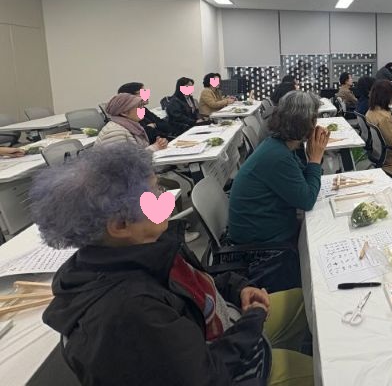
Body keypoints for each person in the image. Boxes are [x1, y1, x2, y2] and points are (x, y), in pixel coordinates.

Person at [30, 143, 313, 386]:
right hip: (233, 369)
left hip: (232, 329)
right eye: (154, 192)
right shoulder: (131, 311)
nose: (165, 196)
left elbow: (198, 283)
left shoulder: (146, 247)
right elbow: (205, 376)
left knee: (307, 300)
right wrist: (252, 322)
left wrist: (238, 287)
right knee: (325, 373)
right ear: (120, 225)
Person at [229, 91, 328, 246]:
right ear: (306, 123)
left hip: (264, 226)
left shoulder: (277, 144)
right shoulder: (278, 157)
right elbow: (307, 201)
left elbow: (301, 179)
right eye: (314, 119)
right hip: (262, 243)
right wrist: (315, 160)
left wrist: (312, 158)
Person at [96, 93, 167, 152]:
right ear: (124, 112)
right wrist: (154, 148)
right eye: (139, 106)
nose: (142, 109)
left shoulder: (132, 126)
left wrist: (158, 144)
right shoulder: (115, 132)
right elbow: (122, 162)